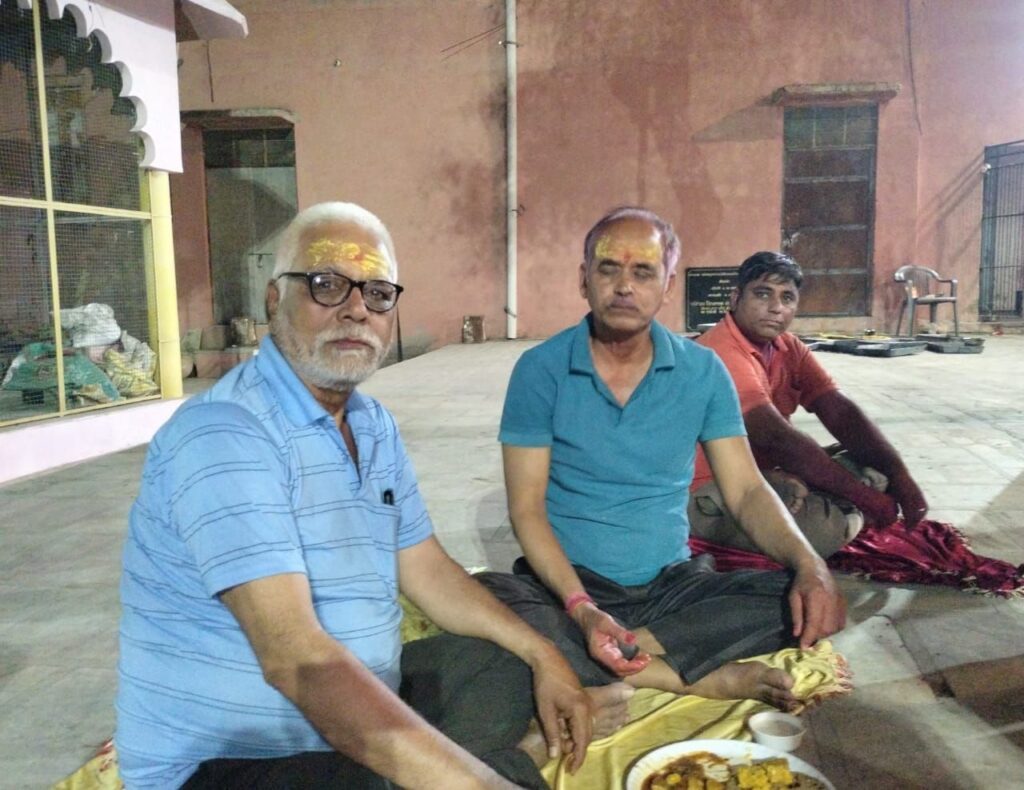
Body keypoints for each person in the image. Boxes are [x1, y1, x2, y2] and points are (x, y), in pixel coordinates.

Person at [115, 202, 613, 790]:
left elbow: (425, 567)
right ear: (274, 299)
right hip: (236, 763)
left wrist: (542, 656)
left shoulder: (372, 423)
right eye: (327, 285)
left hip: (351, 719)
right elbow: (296, 659)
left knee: (503, 662)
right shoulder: (226, 433)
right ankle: (494, 766)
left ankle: (467, 759)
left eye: (377, 293)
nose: (356, 309)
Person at [478, 207, 845, 706]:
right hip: (570, 588)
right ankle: (687, 676)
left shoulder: (702, 371)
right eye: (609, 269)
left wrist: (809, 564)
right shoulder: (540, 370)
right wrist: (582, 608)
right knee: (488, 601)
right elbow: (526, 510)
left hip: (670, 588)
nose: (624, 287)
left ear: (668, 286)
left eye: (643, 272)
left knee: (803, 600)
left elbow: (745, 490)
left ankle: (612, 655)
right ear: (584, 279)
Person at [690, 251, 929, 558]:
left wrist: (900, 476)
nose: (776, 307)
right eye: (762, 294)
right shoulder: (719, 350)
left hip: (766, 473)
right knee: (821, 531)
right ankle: (843, 513)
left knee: (871, 464)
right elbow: (778, 439)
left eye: (787, 298)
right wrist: (865, 497)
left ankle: (830, 505)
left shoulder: (787, 346)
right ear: (736, 299)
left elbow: (840, 413)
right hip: (712, 487)